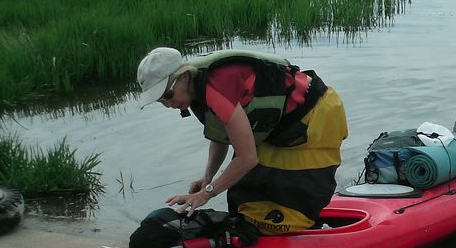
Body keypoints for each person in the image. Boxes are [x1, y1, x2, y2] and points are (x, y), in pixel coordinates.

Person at [136, 47, 348, 235]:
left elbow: (247, 158)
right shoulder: (194, 88)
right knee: (246, 193)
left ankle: (303, 236)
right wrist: (208, 177)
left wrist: (206, 195)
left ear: (183, 76)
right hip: (278, 126)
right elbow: (221, 135)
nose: (167, 103)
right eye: (160, 100)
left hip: (315, 116)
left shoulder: (216, 88)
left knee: (294, 193)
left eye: (168, 94)